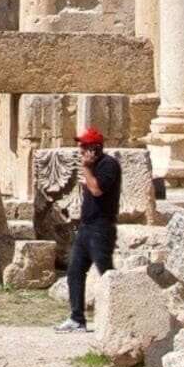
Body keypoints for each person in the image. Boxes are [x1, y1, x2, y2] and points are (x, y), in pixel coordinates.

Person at [56, 127, 121, 332]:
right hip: (86, 228)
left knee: (106, 273)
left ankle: (119, 316)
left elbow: (97, 189)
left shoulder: (108, 165)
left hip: (101, 228)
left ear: (95, 148)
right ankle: (77, 318)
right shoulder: (93, 165)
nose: (80, 149)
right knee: (74, 271)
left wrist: (85, 167)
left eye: (84, 146)